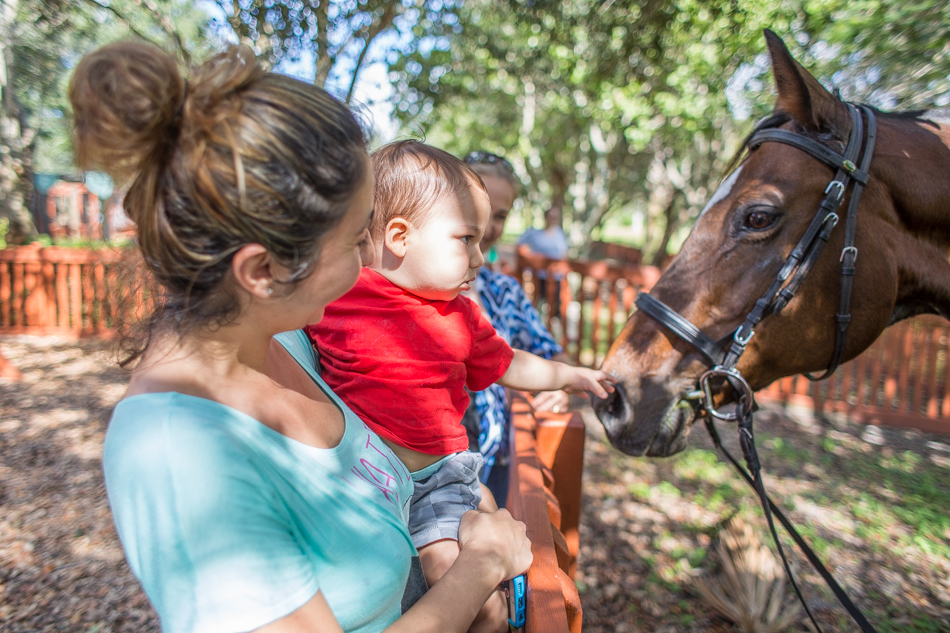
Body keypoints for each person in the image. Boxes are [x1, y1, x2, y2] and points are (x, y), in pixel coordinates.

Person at [72, 43, 532, 633]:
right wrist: (480, 570)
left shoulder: (284, 343)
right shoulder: (179, 455)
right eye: (352, 244)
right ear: (263, 271)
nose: (369, 267)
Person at [307, 141, 614, 627]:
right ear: (400, 236)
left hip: (436, 483)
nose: (480, 255)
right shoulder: (335, 296)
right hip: (363, 480)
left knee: (467, 593)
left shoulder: (462, 316)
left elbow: (512, 364)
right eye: (465, 239)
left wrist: (571, 375)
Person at [462, 151, 572, 506]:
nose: (486, 226)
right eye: (477, 209)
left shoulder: (504, 291)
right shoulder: (413, 289)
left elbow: (551, 351)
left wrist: (562, 383)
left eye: (499, 215)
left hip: (492, 462)